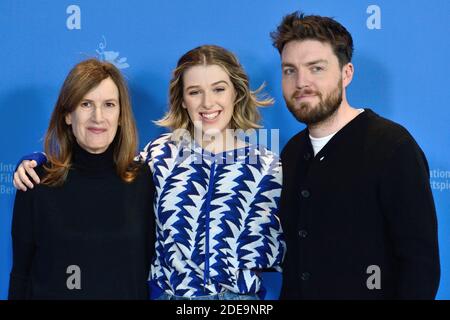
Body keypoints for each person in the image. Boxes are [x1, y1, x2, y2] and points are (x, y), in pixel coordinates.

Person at [13, 45, 286, 300]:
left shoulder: (268, 168)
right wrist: (36, 162)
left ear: (236, 93)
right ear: (181, 100)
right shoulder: (157, 158)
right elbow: (96, 168)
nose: (207, 103)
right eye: (194, 92)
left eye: (218, 89)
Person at [270, 12, 440, 299]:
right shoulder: (293, 151)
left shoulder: (392, 147)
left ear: (346, 73)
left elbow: (420, 265)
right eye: (290, 70)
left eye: (316, 68)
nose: (301, 82)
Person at [8, 59, 155, 299]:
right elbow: (21, 274)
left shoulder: (142, 180)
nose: (98, 117)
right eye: (86, 104)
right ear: (67, 115)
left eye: (109, 105)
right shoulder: (35, 181)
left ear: (120, 116)